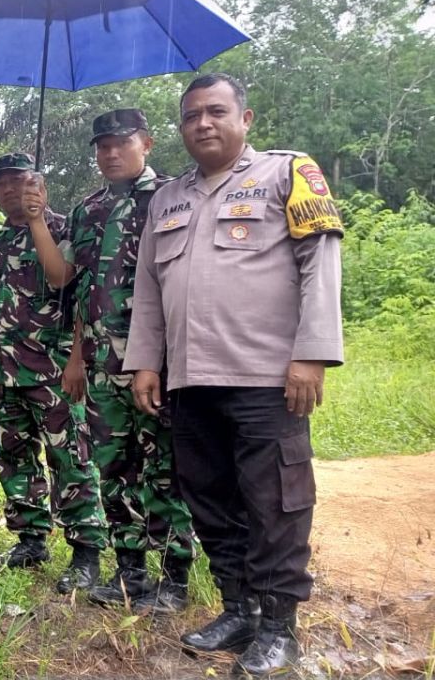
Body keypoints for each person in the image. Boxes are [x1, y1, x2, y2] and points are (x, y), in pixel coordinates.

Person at [125, 74, 343, 676]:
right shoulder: (167, 198)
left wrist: (313, 353)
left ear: (245, 117)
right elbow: (148, 290)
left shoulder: (287, 173)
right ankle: (237, 607)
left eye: (216, 111)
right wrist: (145, 361)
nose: (203, 123)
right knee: (211, 499)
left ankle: (278, 625)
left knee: (274, 502)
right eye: (192, 115)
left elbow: (319, 260)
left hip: (266, 377)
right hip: (190, 381)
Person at [27, 108, 195, 612]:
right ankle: (130, 573)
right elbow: (66, 281)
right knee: (115, 468)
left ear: (146, 143)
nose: (110, 152)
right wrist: (37, 220)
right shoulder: (88, 210)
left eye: (121, 143)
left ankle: (175, 578)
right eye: (102, 146)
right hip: (101, 364)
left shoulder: (173, 196)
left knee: (163, 467)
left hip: (157, 362)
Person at [0, 153, 108, 589]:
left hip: (54, 370)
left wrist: (76, 361)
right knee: (12, 457)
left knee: (70, 458)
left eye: (18, 182)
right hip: (7, 373)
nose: (10, 191)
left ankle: (86, 552)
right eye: (2, 185)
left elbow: (71, 290)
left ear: (39, 186)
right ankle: (30, 539)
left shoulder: (67, 230)